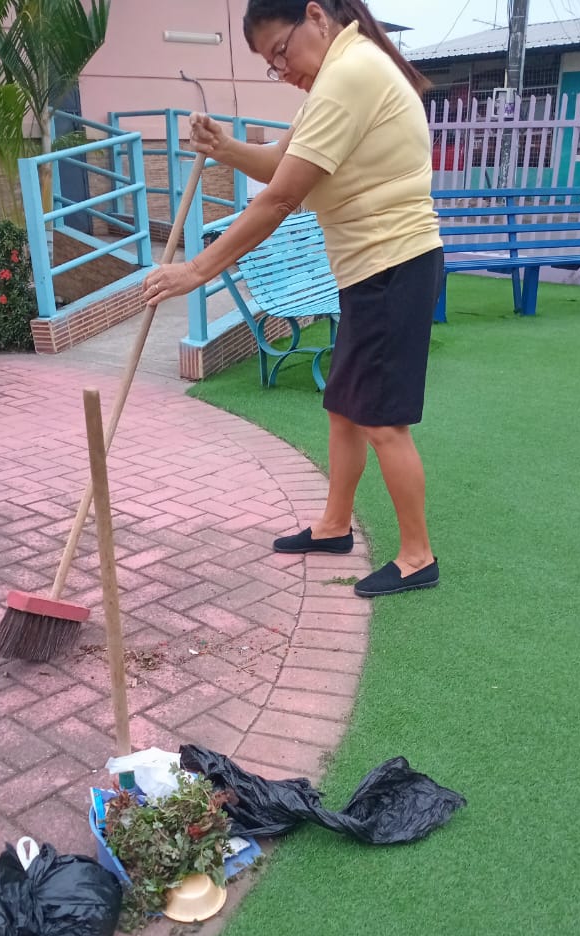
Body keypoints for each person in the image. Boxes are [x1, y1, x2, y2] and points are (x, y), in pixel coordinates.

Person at [143, 0, 444, 599]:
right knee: (344, 408)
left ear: (316, 16)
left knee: (383, 421)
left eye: (281, 52)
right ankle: (334, 526)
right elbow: (281, 163)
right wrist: (225, 148)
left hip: (394, 265)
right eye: (271, 65)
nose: (283, 71)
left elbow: (280, 198)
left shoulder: (350, 74)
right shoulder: (339, 76)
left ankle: (417, 556)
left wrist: (197, 270)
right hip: (370, 269)